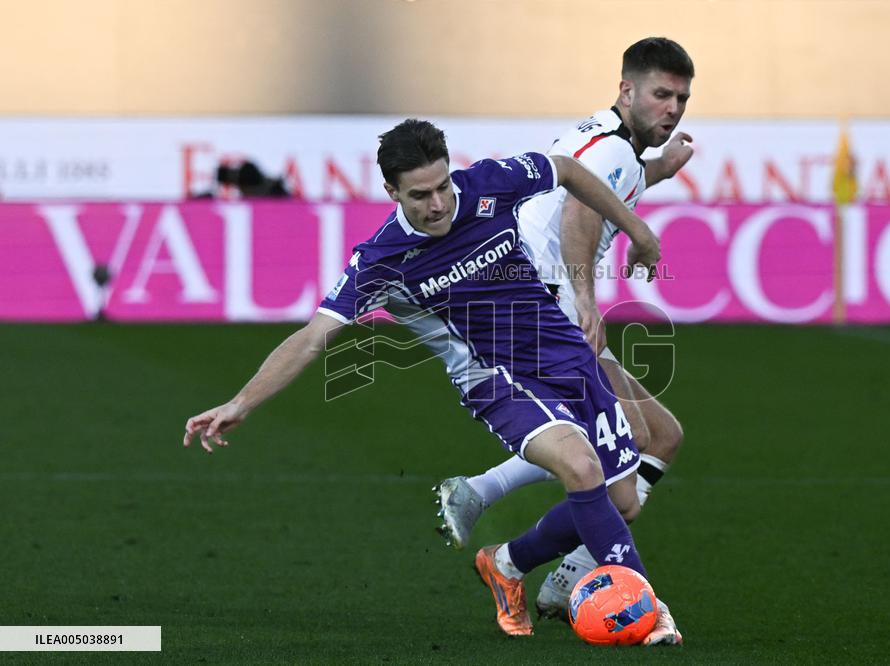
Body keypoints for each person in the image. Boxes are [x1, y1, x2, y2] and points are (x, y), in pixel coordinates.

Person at [183, 119, 681, 644]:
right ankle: (648, 610)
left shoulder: (488, 184)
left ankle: (506, 564)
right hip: (495, 379)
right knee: (581, 468)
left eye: (442, 186)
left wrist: (639, 231)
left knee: (622, 499)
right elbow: (311, 339)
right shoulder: (380, 260)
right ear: (391, 192)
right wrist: (240, 402)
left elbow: (568, 170)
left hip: (565, 357)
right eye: (420, 195)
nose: (438, 203)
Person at [433, 37, 694, 618]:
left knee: (661, 436)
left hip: (532, 298)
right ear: (627, 89)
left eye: (681, 98)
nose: (672, 109)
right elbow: (580, 210)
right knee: (613, 463)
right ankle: (495, 512)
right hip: (543, 305)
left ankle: (529, 563)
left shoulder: (607, 139)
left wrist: (658, 171)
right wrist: (585, 298)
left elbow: (600, 187)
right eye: (661, 94)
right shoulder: (615, 150)